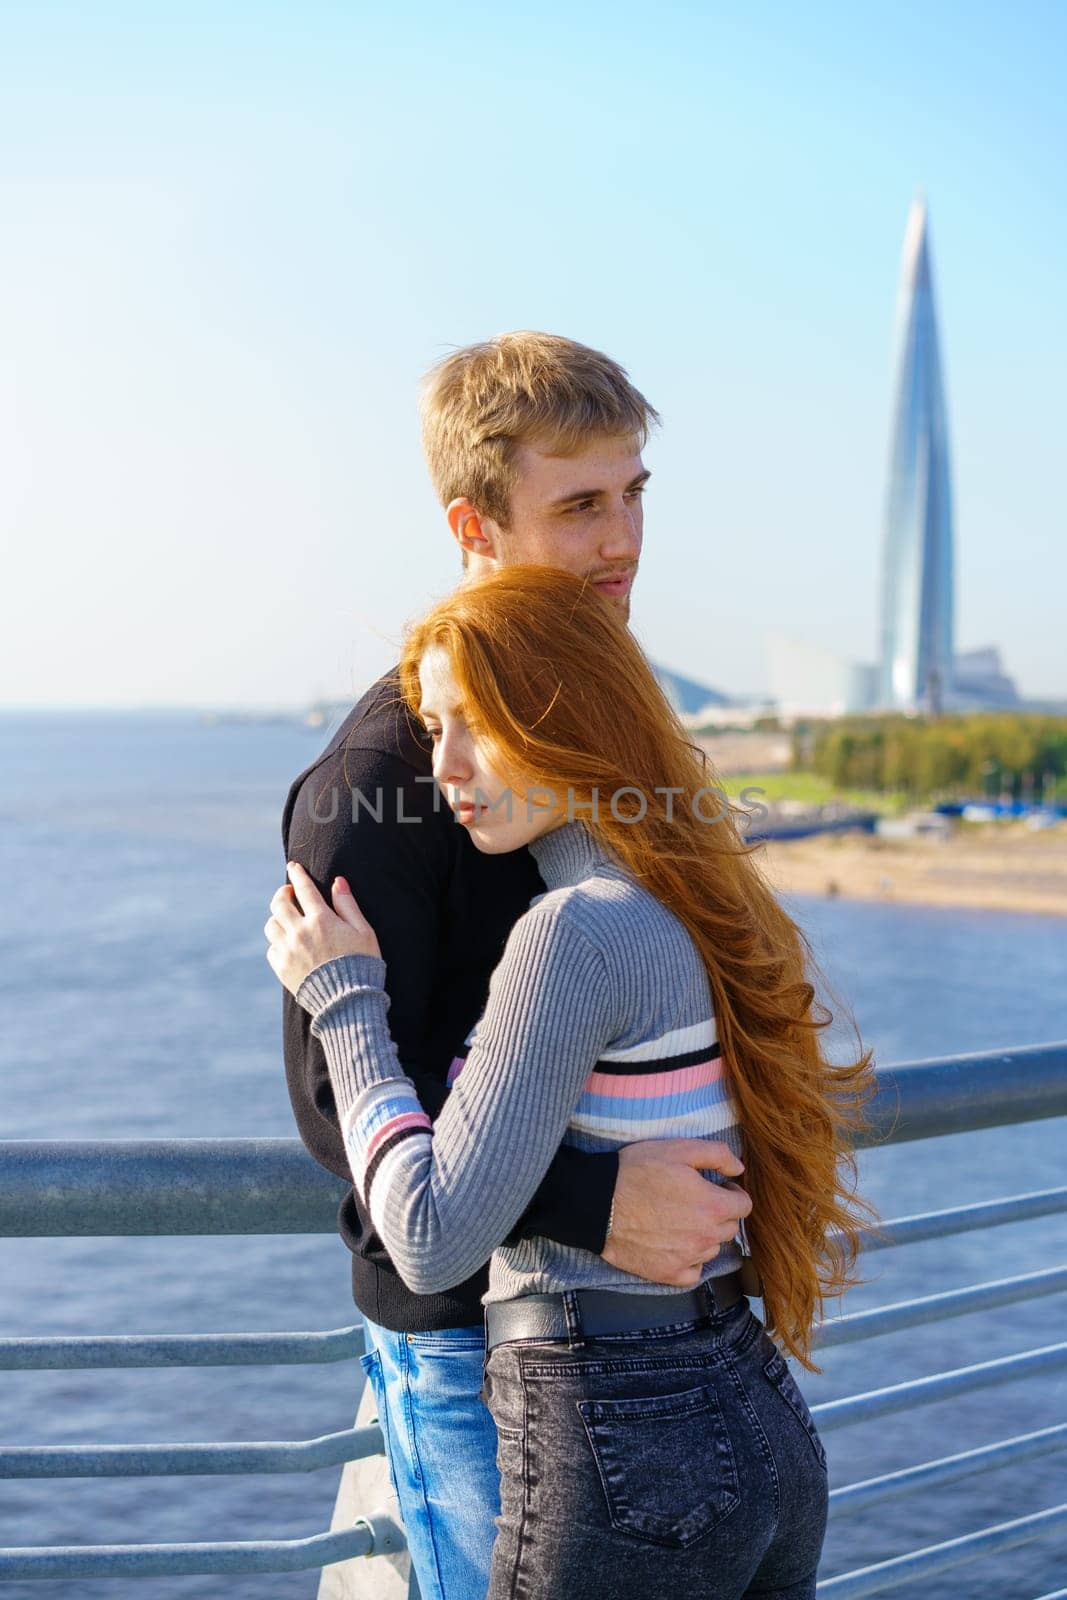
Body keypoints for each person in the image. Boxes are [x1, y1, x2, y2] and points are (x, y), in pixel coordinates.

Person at [267, 566, 878, 1600]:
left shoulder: (572, 935)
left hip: (622, 1446)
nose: (444, 766)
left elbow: (428, 1239)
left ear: (563, 714)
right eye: (430, 726)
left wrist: (344, 1000)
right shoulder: (684, 898)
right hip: (751, 1412)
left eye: (475, 724)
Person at [280, 332, 755, 1598]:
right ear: (473, 525)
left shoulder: (596, 727)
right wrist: (594, 1202)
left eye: (633, 494)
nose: (622, 540)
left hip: (647, 1349)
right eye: (580, 504)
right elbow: (339, 1099)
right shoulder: (376, 783)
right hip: (465, 1350)